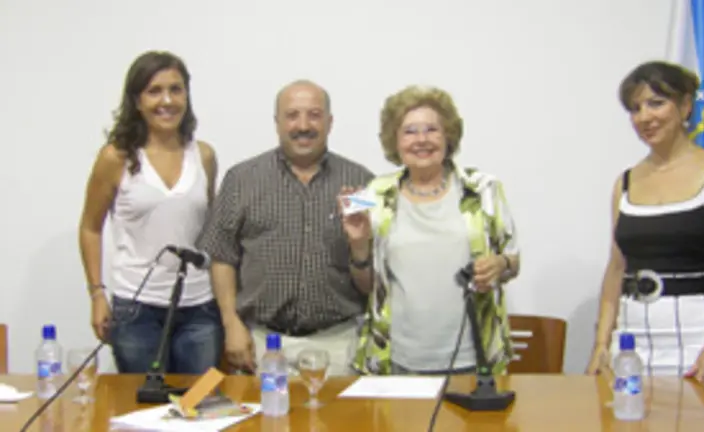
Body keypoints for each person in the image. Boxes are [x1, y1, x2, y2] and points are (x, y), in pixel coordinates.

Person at [586, 61, 704, 385]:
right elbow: (617, 268)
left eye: (656, 103)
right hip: (633, 338)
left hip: (701, 336)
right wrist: (601, 344)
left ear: (686, 105)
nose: (644, 117)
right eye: (635, 109)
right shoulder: (626, 182)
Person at [196, 80, 374, 376]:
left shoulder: (360, 182)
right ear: (277, 123)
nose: (303, 125)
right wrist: (230, 323)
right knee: (267, 421)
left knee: (338, 423)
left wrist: (359, 246)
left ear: (330, 123)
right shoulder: (242, 179)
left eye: (314, 115)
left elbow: (370, 270)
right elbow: (221, 256)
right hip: (263, 344)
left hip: (338, 346)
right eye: (292, 115)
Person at [341, 85, 520, 375]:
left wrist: (499, 265)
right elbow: (366, 285)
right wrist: (359, 244)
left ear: (448, 136)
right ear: (395, 141)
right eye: (410, 131)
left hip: (473, 357)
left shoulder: (484, 189)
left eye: (431, 130)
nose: (421, 140)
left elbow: (513, 263)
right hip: (397, 357)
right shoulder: (374, 193)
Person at [77, 51, 223, 374]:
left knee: (196, 409)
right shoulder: (116, 157)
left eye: (176, 89)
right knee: (142, 411)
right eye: (154, 91)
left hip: (199, 308)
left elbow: (210, 231)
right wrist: (97, 293)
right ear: (137, 100)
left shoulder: (204, 156)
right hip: (136, 309)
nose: (166, 101)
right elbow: (90, 227)